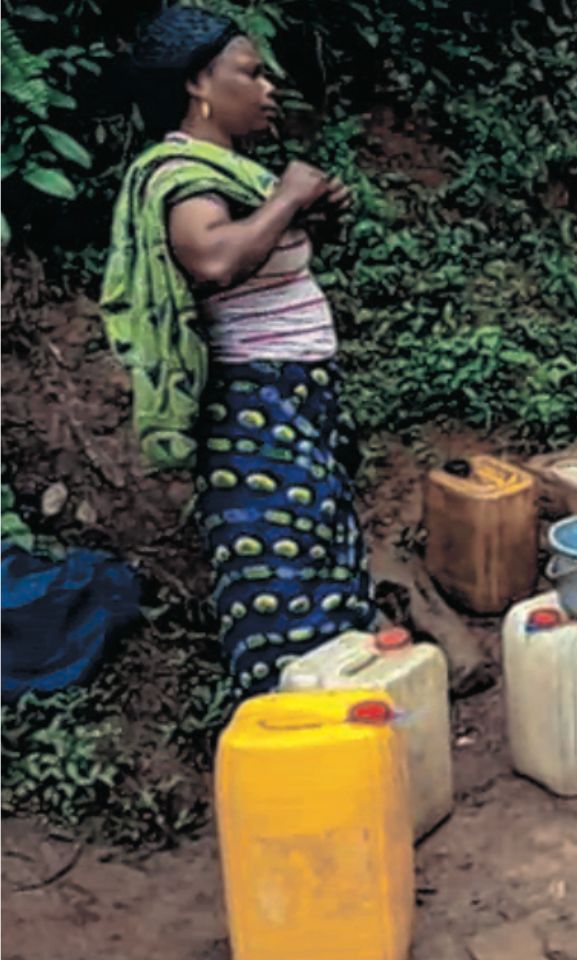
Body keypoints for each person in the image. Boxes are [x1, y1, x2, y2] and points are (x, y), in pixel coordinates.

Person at [100, 8, 374, 697]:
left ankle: (346, 739)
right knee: (282, 581)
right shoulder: (179, 174)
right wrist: (288, 196)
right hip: (255, 407)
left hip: (298, 399)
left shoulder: (232, 175)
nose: (269, 87)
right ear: (199, 83)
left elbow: (262, 254)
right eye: (250, 73)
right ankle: (294, 742)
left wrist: (311, 212)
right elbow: (215, 260)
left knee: (321, 554)